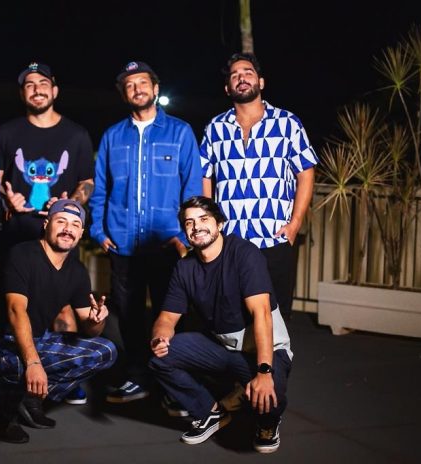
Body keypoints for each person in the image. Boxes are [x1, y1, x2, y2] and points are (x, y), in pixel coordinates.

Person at [0, 62, 95, 404]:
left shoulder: (76, 134)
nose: (37, 89)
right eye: (29, 84)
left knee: (64, 307)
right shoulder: (7, 132)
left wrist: (71, 204)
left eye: (43, 83)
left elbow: (86, 181)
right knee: (9, 305)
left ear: (54, 90)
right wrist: (6, 197)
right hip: (17, 233)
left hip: (59, 238)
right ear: (22, 93)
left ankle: (64, 374)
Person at [89, 61, 203, 403]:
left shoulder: (180, 132)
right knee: (130, 317)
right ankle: (136, 376)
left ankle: (172, 384)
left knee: (172, 315)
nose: (137, 88)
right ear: (124, 94)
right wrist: (98, 231)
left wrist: (184, 236)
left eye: (142, 82)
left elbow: (192, 188)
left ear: (155, 89)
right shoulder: (113, 136)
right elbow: (101, 189)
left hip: (167, 245)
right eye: (130, 85)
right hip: (123, 246)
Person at [149, 196, 292, 454]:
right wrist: (160, 337)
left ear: (220, 224)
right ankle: (211, 412)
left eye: (204, 219)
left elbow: (262, 314)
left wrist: (264, 371)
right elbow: (167, 318)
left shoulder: (244, 254)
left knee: (270, 395)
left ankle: (267, 423)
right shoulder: (185, 268)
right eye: (189, 222)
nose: (197, 227)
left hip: (265, 348)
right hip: (224, 347)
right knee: (161, 357)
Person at [0, 199, 116, 444]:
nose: (68, 229)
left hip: (39, 339)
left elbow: (91, 331)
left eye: (75, 224)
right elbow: (16, 310)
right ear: (46, 224)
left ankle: (29, 398)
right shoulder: (22, 254)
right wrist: (33, 363)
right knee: (17, 364)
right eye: (61, 221)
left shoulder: (77, 271)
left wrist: (96, 320)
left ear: (81, 233)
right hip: (0, 341)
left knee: (105, 351)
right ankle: (1, 409)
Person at [200, 52, 318, 321]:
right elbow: (204, 175)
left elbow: (306, 173)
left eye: (248, 73)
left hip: (274, 237)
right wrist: (210, 224)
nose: (241, 78)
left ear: (261, 82)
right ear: (228, 88)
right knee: (232, 318)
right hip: (230, 240)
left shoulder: (287, 123)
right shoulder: (215, 127)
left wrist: (295, 224)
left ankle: (275, 353)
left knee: (277, 318)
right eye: (235, 75)